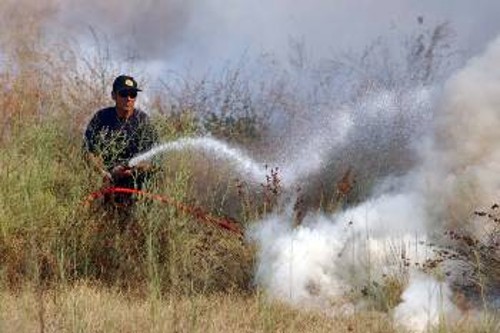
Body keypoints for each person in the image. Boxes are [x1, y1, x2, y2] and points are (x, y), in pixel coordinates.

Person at [84, 74, 158, 210]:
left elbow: (154, 158)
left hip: (136, 184)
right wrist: (103, 173)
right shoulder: (101, 118)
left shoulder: (144, 121)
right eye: (123, 94)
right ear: (114, 95)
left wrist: (133, 169)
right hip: (107, 181)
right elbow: (88, 152)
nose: (128, 98)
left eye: (133, 94)